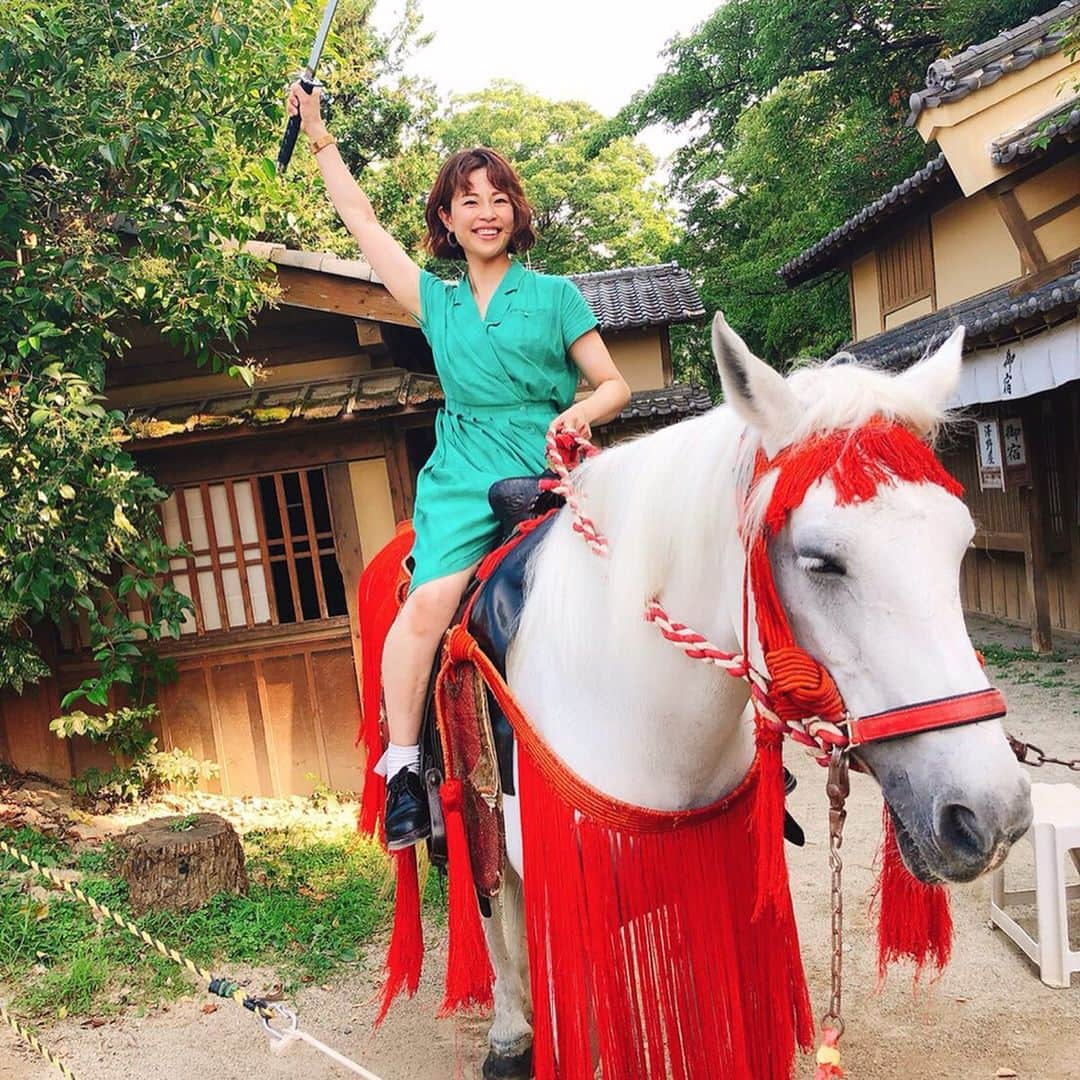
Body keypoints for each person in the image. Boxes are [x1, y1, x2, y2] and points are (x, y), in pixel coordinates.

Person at [288, 82, 631, 850]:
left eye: (498, 196)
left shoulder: (557, 296)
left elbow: (615, 383)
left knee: (647, 576)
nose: (485, 210)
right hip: (465, 469)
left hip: (550, 459)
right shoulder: (434, 303)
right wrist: (318, 137)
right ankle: (405, 769)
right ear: (447, 219)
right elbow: (362, 222)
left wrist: (581, 411)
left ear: (516, 212)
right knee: (430, 600)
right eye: (467, 199)